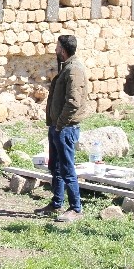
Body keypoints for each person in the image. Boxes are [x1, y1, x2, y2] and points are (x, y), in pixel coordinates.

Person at [36, 34, 90, 223]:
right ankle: (56, 203)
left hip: (65, 127)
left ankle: (76, 208)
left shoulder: (74, 70)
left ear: (63, 50)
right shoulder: (66, 68)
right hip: (57, 126)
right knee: (56, 167)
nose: (55, 50)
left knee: (67, 168)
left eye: (58, 47)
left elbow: (73, 102)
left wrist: (60, 124)